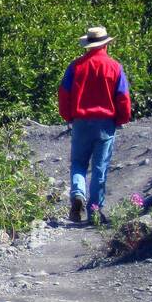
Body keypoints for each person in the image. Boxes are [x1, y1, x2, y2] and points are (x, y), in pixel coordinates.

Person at [58, 26, 132, 224]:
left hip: (81, 122)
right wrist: (122, 119)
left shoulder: (75, 67)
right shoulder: (115, 67)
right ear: (106, 45)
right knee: (100, 168)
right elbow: (123, 97)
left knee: (79, 163)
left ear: (88, 45)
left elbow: (64, 93)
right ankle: (95, 211)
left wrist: (68, 116)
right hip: (105, 123)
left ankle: (77, 193)